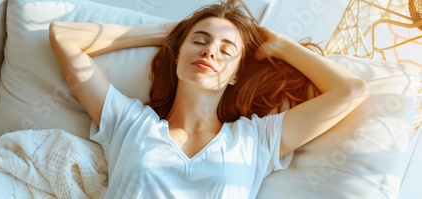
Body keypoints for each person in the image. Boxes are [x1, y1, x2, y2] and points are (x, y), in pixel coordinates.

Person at [49, 0, 369, 198]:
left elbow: (351, 91)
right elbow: (63, 36)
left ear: (234, 75)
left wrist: (281, 44)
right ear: (176, 58)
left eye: (226, 50)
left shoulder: (256, 140)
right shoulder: (129, 123)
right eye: (199, 40)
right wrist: (165, 31)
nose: (210, 50)